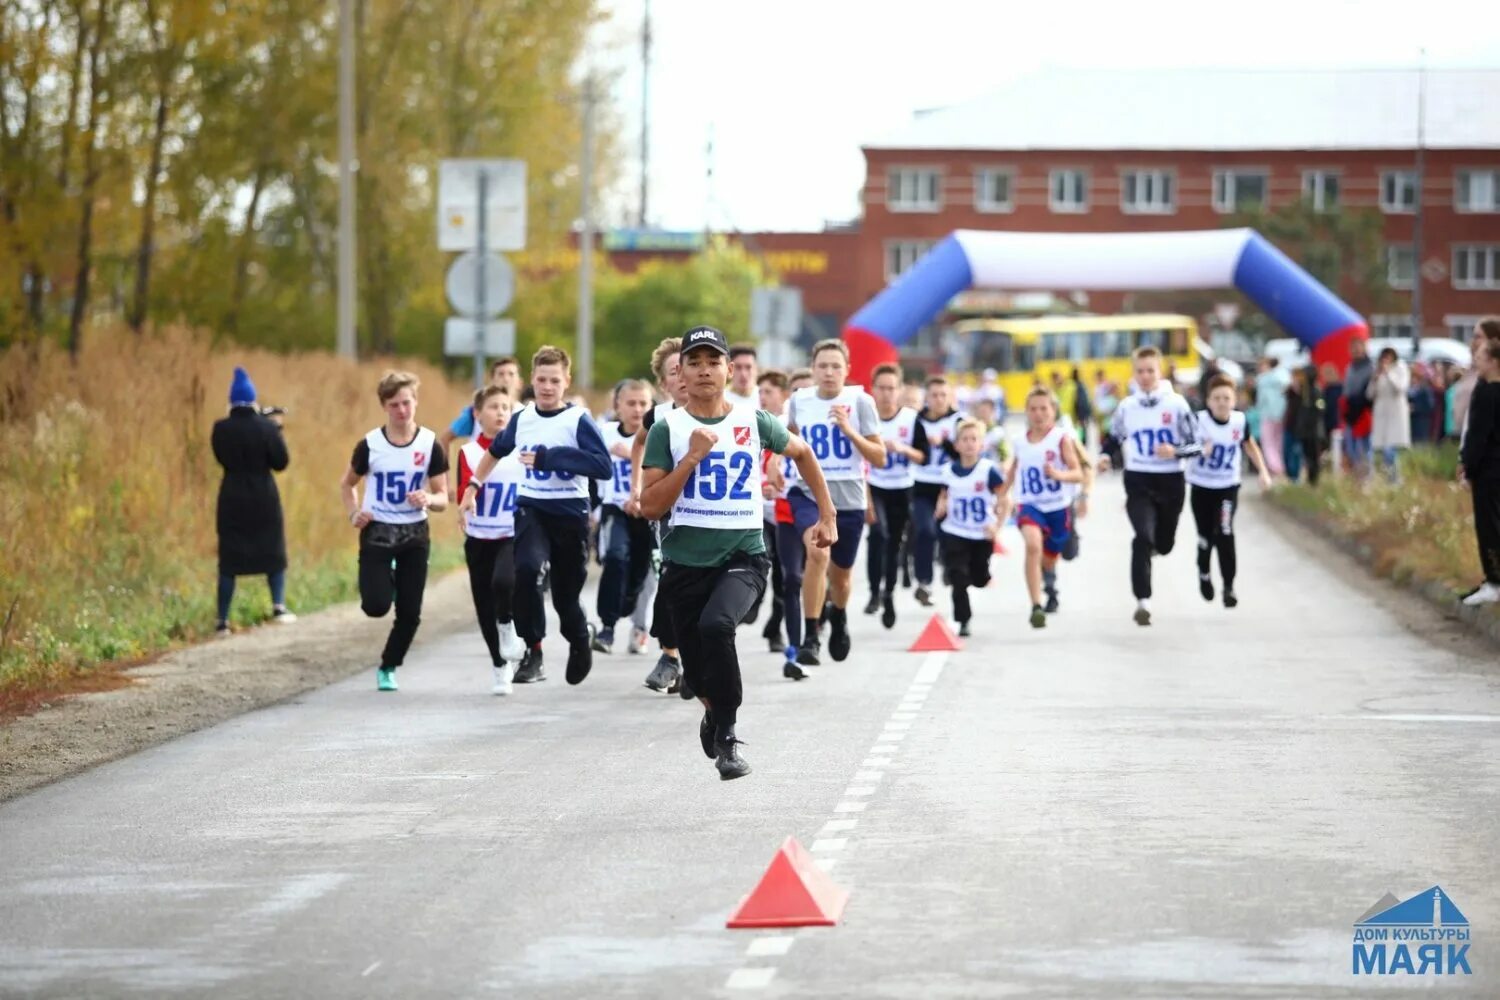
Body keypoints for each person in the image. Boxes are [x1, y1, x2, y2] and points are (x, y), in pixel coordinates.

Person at [640, 325, 836, 780]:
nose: (705, 370)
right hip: (685, 563)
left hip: (743, 555)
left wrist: (825, 514)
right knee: (697, 669)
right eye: (695, 362)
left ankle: (728, 737)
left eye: (714, 362)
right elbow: (650, 504)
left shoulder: (753, 421)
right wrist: (689, 459)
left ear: (730, 369)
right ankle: (713, 710)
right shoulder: (667, 429)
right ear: (681, 373)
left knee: (718, 625)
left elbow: (803, 453)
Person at [461, 345, 611, 686]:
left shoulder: (577, 420)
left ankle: (578, 639)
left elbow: (601, 467)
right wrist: (472, 486)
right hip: (532, 510)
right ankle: (534, 649)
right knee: (526, 571)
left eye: (554, 380)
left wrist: (552, 458)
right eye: (541, 379)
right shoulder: (523, 418)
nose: (547, 387)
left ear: (566, 381)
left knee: (564, 598)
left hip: (570, 515)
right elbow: (494, 452)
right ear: (532, 380)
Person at [339, 371, 450, 691]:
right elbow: (347, 485)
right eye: (395, 405)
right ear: (384, 406)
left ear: (416, 401)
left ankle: (389, 665)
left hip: (415, 533)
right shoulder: (370, 445)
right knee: (375, 606)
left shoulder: (430, 444)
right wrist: (353, 513)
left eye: (407, 402)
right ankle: (387, 578)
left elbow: (443, 498)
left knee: (410, 613)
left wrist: (428, 497)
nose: (402, 410)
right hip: (378, 531)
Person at [784, 339, 885, 665]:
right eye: (822, 366)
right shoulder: (800, 401)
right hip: (809, 492)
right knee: (817, 552)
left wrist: (848, 430)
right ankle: (811, 635)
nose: (829, 373)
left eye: (835, 366)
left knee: (841, 578)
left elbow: (880, 457)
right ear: (812, 369)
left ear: (847, 371)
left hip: (848, 500)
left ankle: (838, 614)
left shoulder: (860, 401)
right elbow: (787, 439)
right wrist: (773, 462)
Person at [1109, 346, 1201, 626]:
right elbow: (1113, 438)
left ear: (1160, 372)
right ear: (1134, 374)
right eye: (1140, 371)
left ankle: (1155, 547)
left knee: (1164, 543)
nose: (1146, 376)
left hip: (1170, 480)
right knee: (1142, 537)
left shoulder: (1177, 405)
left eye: (1151, 370)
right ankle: (1142, 600)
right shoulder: (1127, 407)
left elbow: (1196, 443)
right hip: (1138, 478)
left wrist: (1174, 451)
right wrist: (1103, 456)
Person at [212, 366, 293, 633]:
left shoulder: (221, 429)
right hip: (263, 496)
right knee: (273, 551)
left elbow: (221, 457)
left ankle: (222, 619)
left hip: (232, 496)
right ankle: (278, 606)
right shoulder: (267, 428)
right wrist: (276, 430)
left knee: (229, 558)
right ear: (253, 398)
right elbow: (281, 462)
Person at [457, 386, 527, 693]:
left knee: (504, 582)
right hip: (478, 536)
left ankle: (508, 624)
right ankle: (500, 666)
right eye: (493, 407)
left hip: (511, 533)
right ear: (477, 414)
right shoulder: (469, 452)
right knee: (484, 604)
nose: (500, 412)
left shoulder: (521, 448)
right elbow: (461, 491)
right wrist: (465, 502)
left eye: (505, 407)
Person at [630, 337, 688, 691]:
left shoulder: (724, 413)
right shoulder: (658, 416)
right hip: (669, 514)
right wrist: (636, 486)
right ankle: (670, 656)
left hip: (713, 514)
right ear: (663, 383)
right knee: (669, 582)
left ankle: (694, 656)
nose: (684, 377)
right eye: (675, 371)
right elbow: (638, 443)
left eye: (690, 367)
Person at [1188, 373, 1272, 608]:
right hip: (1201, 487)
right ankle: (1204, 573)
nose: (1222, 402)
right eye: (1217, 398)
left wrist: (1264, 472)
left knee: (1224, 532)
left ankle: (1228, 585)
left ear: (1234, 400)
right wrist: (1198, 449)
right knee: (1205, 537)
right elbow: (1182, 447)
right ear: (1208, 401)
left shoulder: (1239, 422)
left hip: (1227, 487)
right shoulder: (1199, 421)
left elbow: (1250, 446)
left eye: (1226, 398)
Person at [1012, 387, 1085, 629]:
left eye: (1044, 408)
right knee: (1033, 546)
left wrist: (1059, 474)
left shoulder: (1062, 438)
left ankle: (1050, 582)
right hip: (1030, 505)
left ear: (1053, 411)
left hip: (1058, 508)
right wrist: (998, 497)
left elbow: (1079, 473)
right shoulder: (1019, 442)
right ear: (1026, 412)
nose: (1038, 414)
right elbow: (1010, 473)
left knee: (1054, 555)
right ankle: (1035, 606)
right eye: (1033, 409)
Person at [593, 379, 655, 654]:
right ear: (617, 406)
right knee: (616, 558)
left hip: (646, 513)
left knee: (641, 571)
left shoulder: (657, 435)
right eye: (631, 403)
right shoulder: (605, 433)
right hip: (615, 509)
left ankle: (629, 604)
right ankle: (607, 628)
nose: (638, 409)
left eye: (643, 403)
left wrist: (632, 455)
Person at [866, 362, 927, 629]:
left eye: (892, 388)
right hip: (873, 485)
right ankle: (873, 591)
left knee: (894, 544)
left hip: (902, 487)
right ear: (873, 390)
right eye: (882, 388)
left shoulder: (911, 419)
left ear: (899, 390)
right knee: (878, 534)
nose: (887, 393)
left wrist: (902, 449)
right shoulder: (866, 417)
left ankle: (888, 593)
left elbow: (924, 456)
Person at [936, 418, 1008, 637]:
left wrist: (997, 525)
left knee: (978, 578)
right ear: (956, 445)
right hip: (955, 531)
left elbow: (1005, 499)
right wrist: (940, 507)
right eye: (964, 439)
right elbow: (943, 495)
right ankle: (963, 619)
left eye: (973, 439)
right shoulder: (947, 471)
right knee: (958, 576)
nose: (969, 444)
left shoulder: (988, 471)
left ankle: (980, 576)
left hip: (981, 533)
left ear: (982, 444)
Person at [775, 367, 816, 677]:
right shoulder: (776, 425)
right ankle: (794, 649)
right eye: (796, 391)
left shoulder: (824, 423)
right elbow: (766, 462)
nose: (802, 397)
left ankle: (818, 621)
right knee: (791, 578)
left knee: (817, 566)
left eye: (807, 390)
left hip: (816, 508)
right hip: (785, 511)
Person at [911, 376, 962, 607]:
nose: (939, 399)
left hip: (950, 485)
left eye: (943, 395)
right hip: (922, 484)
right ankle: (924, 581)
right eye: (934, 395)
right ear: (926, 397)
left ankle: (948, 567)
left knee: (948, 536)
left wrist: (945, 443)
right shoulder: (916, 420)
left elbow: (965, 456)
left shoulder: (959, 421)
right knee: (925, 531)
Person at [1459, 328, 1500, 606]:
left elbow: (1478, 434)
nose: (1478, 360)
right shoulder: (1487, 389)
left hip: (1489, 468)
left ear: (1494, 361)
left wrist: (1467, 465)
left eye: (1482, 357)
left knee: (1489, 525)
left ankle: (1495, 580)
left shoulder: (1489, 394)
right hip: (1492, 466)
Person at [756, 369, 792, 653]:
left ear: (784, 395)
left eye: (768, 392)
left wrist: (777, 488)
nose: (763, 397)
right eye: (760, 392)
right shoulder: (754, 425)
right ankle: (753, 604)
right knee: (759, 560)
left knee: (784, 573)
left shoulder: (791, 426)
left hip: (784, 508)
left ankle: (776, 627)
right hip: (757, 510)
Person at [438, 356, 522, 451]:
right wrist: (445, 465)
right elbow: (445, 438)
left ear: (519, 382)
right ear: (492, 381)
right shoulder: (476, 412)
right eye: (501, 374)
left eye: (511, 374)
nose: (506, 379)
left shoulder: (525, 413)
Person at [1368, 346, 1411, 484]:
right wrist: (1375, 379)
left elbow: (1401, 388)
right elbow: (1369, 394)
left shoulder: (1401, 368)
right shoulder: (1378, 372)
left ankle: (1394, 480)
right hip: (1381, 415)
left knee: (1390, 449)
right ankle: (1390, 479)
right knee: (1382, 450)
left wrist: (1388, 374)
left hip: (1396, 414)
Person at [1287, 365, 1328, 485]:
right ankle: (1310, 480)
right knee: (1307, 457)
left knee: (1314, 458)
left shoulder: (1316, 391)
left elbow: (1321, 409)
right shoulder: (1303, 392)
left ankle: (1314, 480)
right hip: (1304, 432)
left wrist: (1311, 420)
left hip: (1314, 431)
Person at [1342, 337, 1375, 477]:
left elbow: (1369, 392)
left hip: (1364, 412)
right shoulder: (1350, 368)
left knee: (1365, 447)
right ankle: (1357, 477)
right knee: (1351, 448)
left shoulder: (1370, 367)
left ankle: (1367, 477)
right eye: (1353, 348)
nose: (1355, 351)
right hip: (1351, 413)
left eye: (1358, 347)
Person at [1255, 357, 1289, 478]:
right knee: (1279, 441)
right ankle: (1281, 465)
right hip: (1282, 414)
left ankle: (1275, 466)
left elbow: (1261, 399)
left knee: (1268, 442)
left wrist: (1259, 409)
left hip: (1267, 414)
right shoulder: (1284, 376)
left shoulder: (1263, 380)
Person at [1408, 361, 1438, 445]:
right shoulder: (1408, 389)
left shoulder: (1425, 389)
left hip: (1422, 423)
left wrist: (1415, 408)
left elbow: (1430, 406)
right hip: (1412, 424)